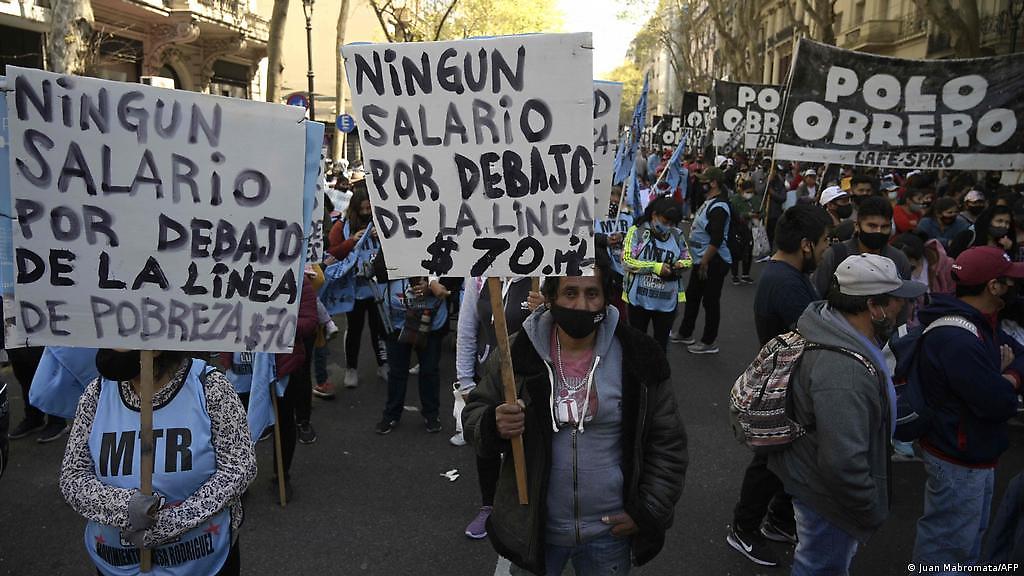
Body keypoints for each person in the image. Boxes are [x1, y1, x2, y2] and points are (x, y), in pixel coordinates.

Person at [462, 265, 688, 576]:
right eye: (570, 292)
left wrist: (648, 510)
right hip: (535, 532)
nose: (581, 305)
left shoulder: (640, 356)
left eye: (591, 293)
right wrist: (493, 423)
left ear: (606, 298)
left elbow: (668, 442)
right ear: (550, 296)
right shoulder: (516, 353)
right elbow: (473, 416)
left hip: (609, 534)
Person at [769, 254, 926, 576]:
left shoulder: (830, 325)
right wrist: (869, 508)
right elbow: (843, 462)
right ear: (874, 307)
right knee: (821, 567)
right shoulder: (844, 373)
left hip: (811, 478)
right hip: (829, 500)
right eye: (898, 300)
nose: (906, 307)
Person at [60, 349, 257, 575]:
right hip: (116, 564)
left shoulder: (209, 386)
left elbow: (239, 467)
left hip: (202, 563)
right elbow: (72, 477)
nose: (106, 347)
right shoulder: (97, 393)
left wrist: (170, 523)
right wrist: (127, 507)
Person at [729, 204, 832, 567]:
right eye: (824, 242)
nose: (826, 249)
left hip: (790, 384)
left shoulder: (786, 275)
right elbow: (813, 339)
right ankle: (744, 528)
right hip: (786, 386)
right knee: (770, 460)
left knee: (786, 458)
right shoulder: (786, 283)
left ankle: (776, 520)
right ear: (805, 244)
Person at [912, 246, 1024, 570]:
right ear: (993, 286)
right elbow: (998, 403)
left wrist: (1006, 376)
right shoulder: (957, 337)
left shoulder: (980, 320)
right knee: (947, 548)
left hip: (975, 453)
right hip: (958, 458)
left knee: (969, 542)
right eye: (1008, 280)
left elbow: (1021, 357)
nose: (1013, 286)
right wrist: (1008, 381)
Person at [454, 276, 534, 539]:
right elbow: (467, 330)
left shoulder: (541, 277)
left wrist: (546, 310)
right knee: (485, 443)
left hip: (526, 382)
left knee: (528, 445)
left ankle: (529, 506)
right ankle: (488, 506)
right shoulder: (478, 278)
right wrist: (465, 382)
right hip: (486, 379)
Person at [374, 255, 451, 435]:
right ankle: (391, 414)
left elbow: (454, 273)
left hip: (431, 321)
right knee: (397, 371)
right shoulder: (391, 239)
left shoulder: (436, 239)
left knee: (429, 370)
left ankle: (431, 414)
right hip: (397, 322)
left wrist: (432, 286)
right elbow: (378, 269)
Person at [327, 183, 387, 389]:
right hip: (354, 290)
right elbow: (333, 253)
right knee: (354, 329)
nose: (367, 213)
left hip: (377, 288)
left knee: (379, 329)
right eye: (363, 209)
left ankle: (383, 364)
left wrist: (382, 236)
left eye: (370, 209)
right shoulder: (341, 226)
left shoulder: (379, 222)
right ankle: (351, 368)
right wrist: (352, 241)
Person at [671, 167, 732, 354]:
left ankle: (709, 341)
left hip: (713, 261)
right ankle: (685, 332)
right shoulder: (710, 202)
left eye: (704, 180)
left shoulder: (719, 207)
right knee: (693, 297)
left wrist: (705, 261)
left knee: (710, 301)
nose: (701, 184)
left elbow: (717, 239)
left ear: (713, 183)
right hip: (702, 260)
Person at [622, 196, 691, 351]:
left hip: (666, 303)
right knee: (637, 344)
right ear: (654, 215)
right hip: (639, 301)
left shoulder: (677, 235)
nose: (668, 226)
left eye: (672, 223)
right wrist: (654, 267)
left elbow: (687, 259)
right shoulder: (637, 232)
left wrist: (679, 265)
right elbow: (626, 260)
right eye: (665, 222)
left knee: (661, 346)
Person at [813, 195, 913, 300]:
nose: (878, 231)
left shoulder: (899, 259)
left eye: (884, 227)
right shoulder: (835, 255)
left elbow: (903, 302)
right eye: (872, 226)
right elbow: (816, 296)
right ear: (857, 226)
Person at [7, 347, 68, 443]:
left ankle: (57, 420)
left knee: (45, 373)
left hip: (40, 340)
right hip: (16, 339)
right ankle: (34, 418)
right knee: (23, 374)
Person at [595, 184, 635, 316]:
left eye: (617, 202)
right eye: (611, 202)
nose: (613, 205)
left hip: (622, 270)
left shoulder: (628, 218)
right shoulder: (595, 218)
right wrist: (605, 240)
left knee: (619, 308)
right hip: (604, 267)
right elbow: (589, 236)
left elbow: (636, 238)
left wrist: (622, 236)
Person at [729, 180, 758, 285]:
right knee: (735, 252)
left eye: (751, 192)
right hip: (737, 230)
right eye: (748, 191)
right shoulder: (735, 200)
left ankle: (746, 274)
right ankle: (734, 275)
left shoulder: (755, 199)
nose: (750, 194)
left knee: (748, 252)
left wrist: (759, 214)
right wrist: (746, 214)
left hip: (751, 229)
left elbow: (762, 210)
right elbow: (733, 214)